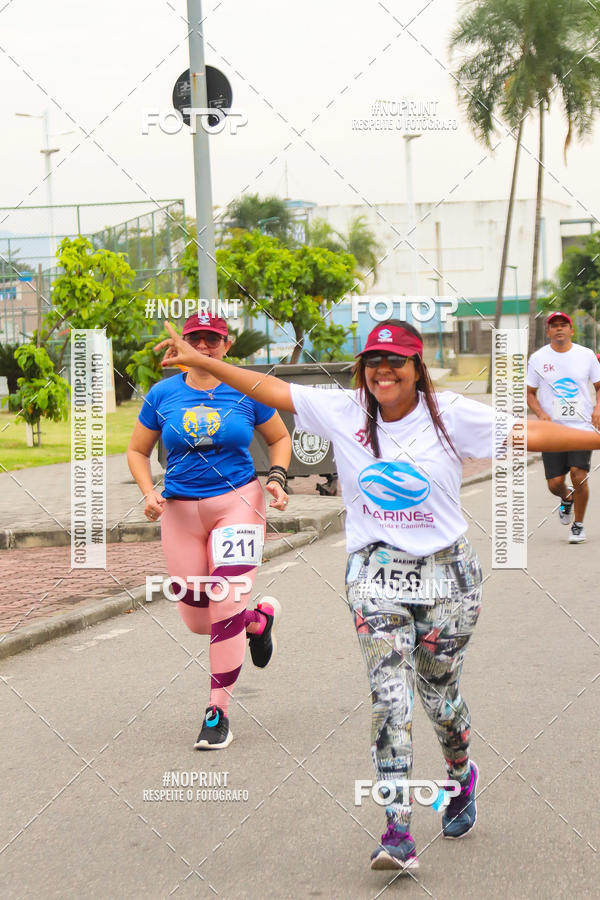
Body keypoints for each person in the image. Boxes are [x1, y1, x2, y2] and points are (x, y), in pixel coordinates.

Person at [154, 317, 600, 870]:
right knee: (390, 699)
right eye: (373, 361)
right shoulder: (343, 412)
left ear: (417, 369)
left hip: (447, 576)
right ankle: (397, 833)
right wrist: (203, 362)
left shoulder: (452, 417)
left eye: (396, 360)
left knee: (441, 700)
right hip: (373, 574)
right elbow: (264, 387)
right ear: (361, 370)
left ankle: (461, 775)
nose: (383, 370)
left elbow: (533, 434)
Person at [128, 313, 291, 750]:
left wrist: (276, 477)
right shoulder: (163, 394)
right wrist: (147, 492)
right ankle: (257, 621)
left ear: (226, 344)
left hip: (238, 502)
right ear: (182, 342)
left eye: (212, 339)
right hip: (179, 511)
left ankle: (216, 711)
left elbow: (279, 437)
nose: (203, 345)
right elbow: (137, 449)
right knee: (199, 619)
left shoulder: (245, 388)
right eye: (195, 338)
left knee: (221, 603)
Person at [527, 311, 600, 543]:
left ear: (571, 330)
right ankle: (566, 498)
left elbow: (599, 387)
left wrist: (598, 409)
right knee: (555, 483)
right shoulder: (538, 359)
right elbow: (530, 393)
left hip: (581, 428)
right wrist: (540, 413)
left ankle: (578, 525)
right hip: (553, 430)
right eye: (554, 325)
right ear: (548, 332)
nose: (559, 329)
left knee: (579, 475)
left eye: (563, 325)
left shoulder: (586, 355)